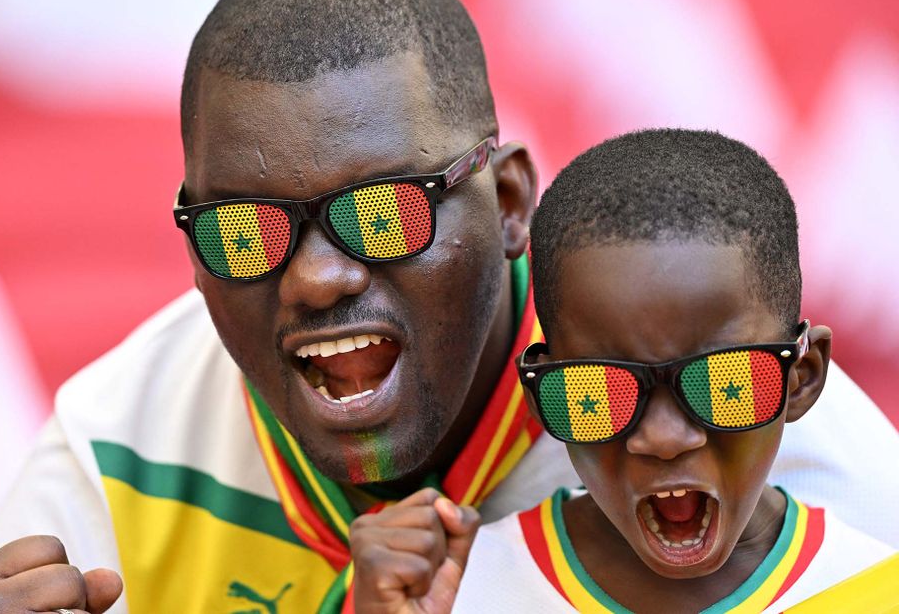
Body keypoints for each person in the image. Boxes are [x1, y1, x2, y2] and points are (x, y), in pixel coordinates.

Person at [0, 0, 899, 614]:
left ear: (511, 203)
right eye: (245, 230)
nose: (320, 277)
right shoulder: (121, 451)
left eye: (383, 211)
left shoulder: (770, 450)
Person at [350, 129, 897, 613]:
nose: (662, 440)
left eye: (723, 384)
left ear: (801, 377)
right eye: (598, 391)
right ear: (543, 397)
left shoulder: (876, 587)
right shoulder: (462, 590)